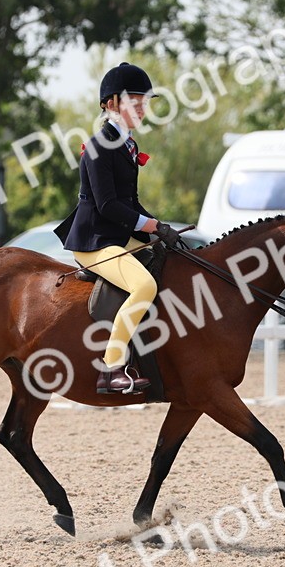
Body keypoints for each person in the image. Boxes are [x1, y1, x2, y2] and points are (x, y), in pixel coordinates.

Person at [53, 62, 181, 394]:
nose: (142, 108)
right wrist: (148, 224)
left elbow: (131, 202)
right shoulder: (99, 146)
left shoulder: (127, 145)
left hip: (117, 236)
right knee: (144, 287)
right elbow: (108, 205)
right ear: (111, 104)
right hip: (94, 239)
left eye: (145, 102)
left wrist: (158, 228)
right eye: (134, 101)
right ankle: (110, 370)